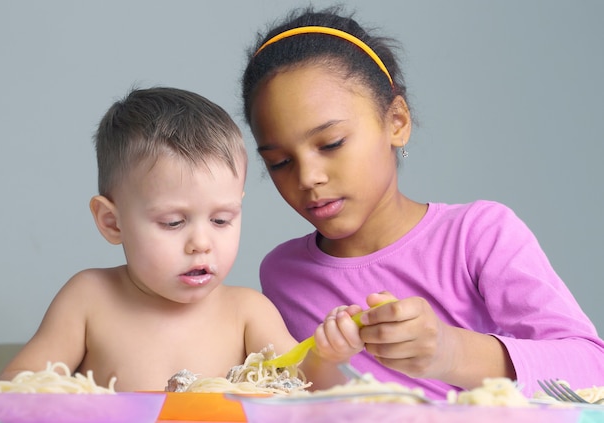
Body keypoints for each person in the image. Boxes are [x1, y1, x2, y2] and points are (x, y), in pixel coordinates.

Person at [240, 6, 604, 399]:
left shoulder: (478, 235)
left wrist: (451, 352)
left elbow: (592, 367)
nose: (307, 178)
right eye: (279, 162)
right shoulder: (282, 274)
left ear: (396, 122)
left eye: (331, 144)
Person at [0, 87, 349, 391]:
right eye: (173, 222)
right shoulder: (89, 300)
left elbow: (315, 392)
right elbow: (15, 382)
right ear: (112, 222)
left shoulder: (247, 314)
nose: (201, 242)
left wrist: (324, 358)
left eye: (221, 219)